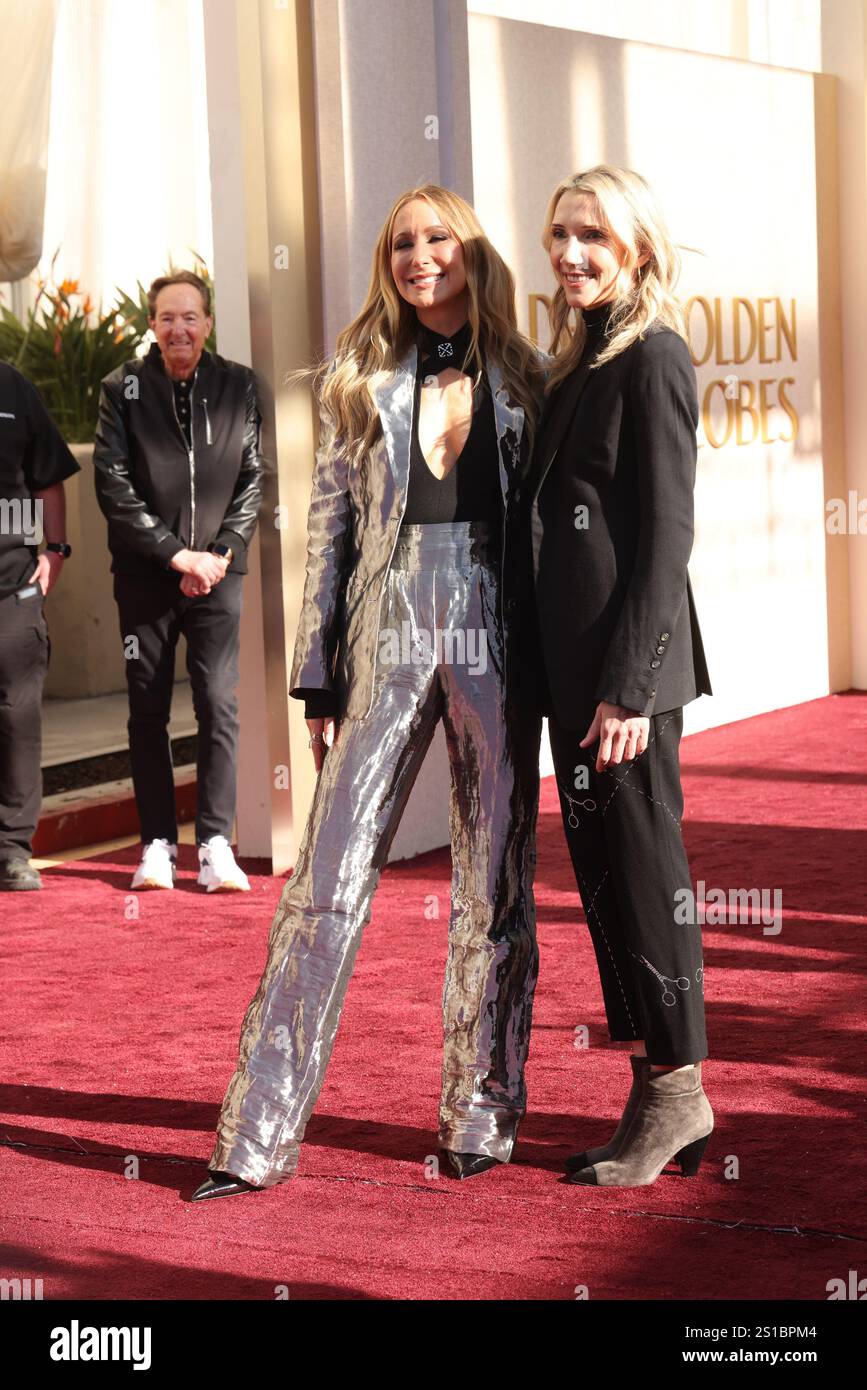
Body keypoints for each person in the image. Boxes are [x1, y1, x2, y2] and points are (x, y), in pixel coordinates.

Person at [190, 183, 546, 1200]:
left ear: (473, 250)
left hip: (497, 634)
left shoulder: (527, 375)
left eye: (439, 239)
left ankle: (481, 1111)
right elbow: (329, 533)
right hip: (386, 629)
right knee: (326, 882)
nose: (420, 257)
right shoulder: (359, 378)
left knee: (495, 880)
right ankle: (253, 1135)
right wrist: (315, 678)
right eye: (402, 244)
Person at [527, 165, 714, 1187]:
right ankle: (655, 1087)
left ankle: (683, 1088)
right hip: (575, 682)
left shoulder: (654, 360)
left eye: (593, 234)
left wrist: (632, 690)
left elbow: (668, 537)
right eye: (559, 233)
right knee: (606, 885)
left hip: (624, 687)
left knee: (650, 882)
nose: (571, 252)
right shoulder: (577, 365)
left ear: (635, 246)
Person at [93, 271, 263, 893]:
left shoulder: (238, 385)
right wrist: (175, 556)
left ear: (208, 323)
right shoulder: (122, 389)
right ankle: (158, 844)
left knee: (219, 701)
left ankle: (216, 841)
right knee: (147, 709)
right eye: (167, 318)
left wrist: (217, 553)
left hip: (219, 574)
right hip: (146, 577)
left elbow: (252, 477)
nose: (179, 329)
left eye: (189, 317)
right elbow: (113, 485)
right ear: (152, 325)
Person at [0, 361, 79, 890]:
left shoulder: (12, 386)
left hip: (12, 587)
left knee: (16, 718)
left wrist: (55, 551)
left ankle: (11, 850)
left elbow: (46, 476)